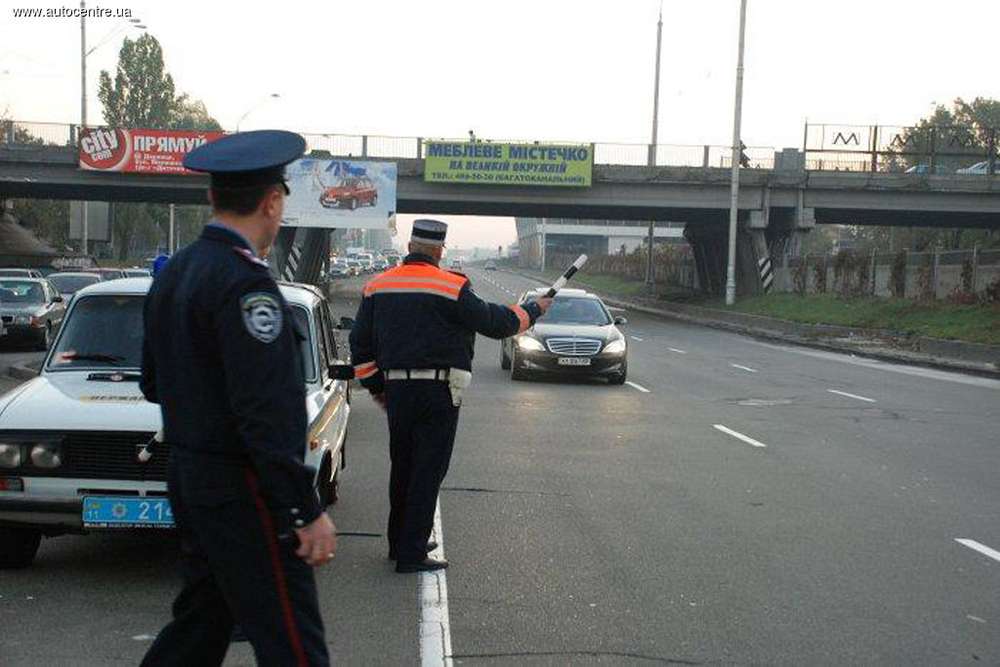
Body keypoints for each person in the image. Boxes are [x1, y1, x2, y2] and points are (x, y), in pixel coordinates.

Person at [140, 130, 335, 666]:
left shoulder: (174, 272)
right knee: (293, 642)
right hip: (243, 488)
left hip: (190, 475)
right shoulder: (247, 287)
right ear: (272, 202)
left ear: (212, 198)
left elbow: (152, 382)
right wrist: (303, 508)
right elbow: (265, 415)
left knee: (202, 624)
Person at [349, 219, 551, 573]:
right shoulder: (450, 287)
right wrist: (533, 310)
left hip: (397, 389)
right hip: (438, 390)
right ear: (440, 250)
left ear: (410, 247)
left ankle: (400, 542)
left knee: (404, 466)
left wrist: (377, 387)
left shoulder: (376, 287)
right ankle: (412, 554)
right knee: (428, 469)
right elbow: (497, 323)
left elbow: (360, 346)